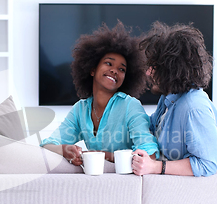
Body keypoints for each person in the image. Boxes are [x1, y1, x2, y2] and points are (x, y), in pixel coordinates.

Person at [40, 21, 159, 165]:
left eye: (122, 69)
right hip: (96, 182)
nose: (115, 70)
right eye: (109, 63)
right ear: (92, 69)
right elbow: (47, 145)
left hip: (127, 182)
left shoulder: (130, 106)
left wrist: (103, 156)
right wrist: (64, 149)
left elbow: (149, 154)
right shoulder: (80, 109)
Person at [132, 21, 217, 177]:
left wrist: (155, 166)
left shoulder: (194, 108)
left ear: (172, 69)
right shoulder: (169, 98)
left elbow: (207, 165)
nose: (148, 73)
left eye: (154, 67)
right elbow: (151, 127)